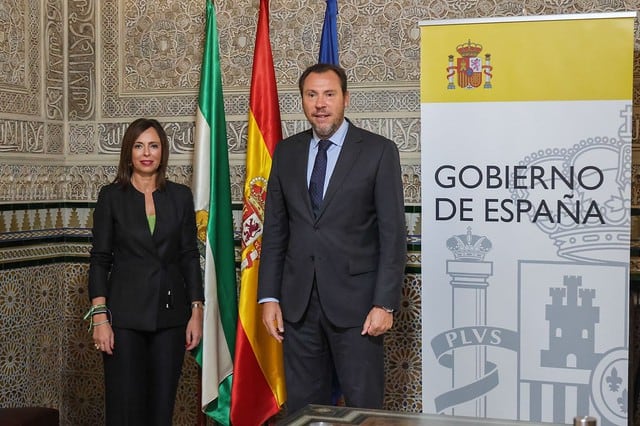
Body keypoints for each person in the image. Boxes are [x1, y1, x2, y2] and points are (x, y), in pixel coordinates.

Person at [259, 63, 406, 414]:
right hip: (298, 306)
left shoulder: (378, 151)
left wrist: (384, 303)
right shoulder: (286, 152)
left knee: (364, 408)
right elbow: (276, 229)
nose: (320, 103)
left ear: (345, 99)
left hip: (359, 309)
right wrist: (269, 296)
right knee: (305, 410)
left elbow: (392, 234)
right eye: (312, 95)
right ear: (303, 101)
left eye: (329, 94)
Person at [87, 118, 204, 426]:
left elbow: (189, 256)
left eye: (153, 145)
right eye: (139, 146)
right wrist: (100, 318)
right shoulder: (111, 196)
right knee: (126, 409)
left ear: (163, 152)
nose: (146, 153)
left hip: (170, 317)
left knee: (160, 409)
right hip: (123, 320)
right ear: (129, 153)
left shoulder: (179, 196)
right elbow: (100, 259)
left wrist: (196, 310)